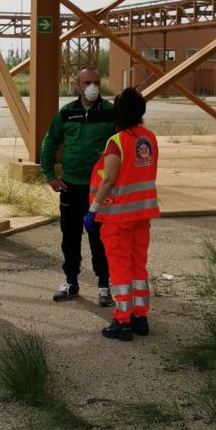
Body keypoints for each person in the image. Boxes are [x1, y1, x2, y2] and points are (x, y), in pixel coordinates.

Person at [84, 87, 159, 342]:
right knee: (139, 265)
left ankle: (122, 320)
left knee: (120, 268)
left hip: (118, 217)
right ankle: (140, 317)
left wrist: (93, 209)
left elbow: (109, 180)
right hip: (142, 214)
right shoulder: (149, 138)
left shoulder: (117, 142)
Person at [40, 67, 115, 304]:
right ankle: (71, 282)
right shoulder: (67, 112)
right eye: (86, 82)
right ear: (77, 85)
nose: (91, 87)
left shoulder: (111, 113)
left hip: (99, 189)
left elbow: (122, 146)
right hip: (71, 185)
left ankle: (104, 285)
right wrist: (50, 175)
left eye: (96, 82)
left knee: (99, 238)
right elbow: (49, 142)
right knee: (70, 237)